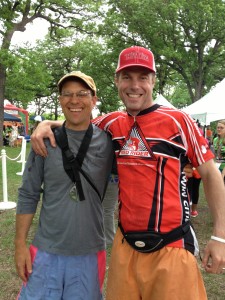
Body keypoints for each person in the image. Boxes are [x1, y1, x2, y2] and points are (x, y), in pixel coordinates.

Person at [31, 46, 225, 300]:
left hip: (171, 245)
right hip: (126, 246)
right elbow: (77, 125)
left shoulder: (179, 120)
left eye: (142, 77)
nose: (135, 85)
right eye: (127, 77)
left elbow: (211, 175)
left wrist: (219, 236)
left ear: (153, 80)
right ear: (117, 80)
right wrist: (46, 124)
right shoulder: (111, 122)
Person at [14, 71, 114, 300]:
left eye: (82, 94)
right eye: (67, 94)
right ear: (60, 100)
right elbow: (28, 194)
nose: (74, 100)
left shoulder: (109, 142)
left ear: (94, 99)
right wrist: (20, 245)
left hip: (90, 252)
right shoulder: (44, 141)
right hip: (46, 250)